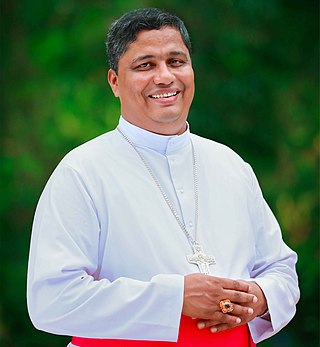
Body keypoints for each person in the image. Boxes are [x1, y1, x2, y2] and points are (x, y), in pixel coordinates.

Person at [27, 7, 299, 347]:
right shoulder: (82, 171)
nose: (165, 77)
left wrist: (259, 296)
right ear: (114, 81)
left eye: (176, 61)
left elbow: (281, 270)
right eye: (145, 65)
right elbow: (50, 301)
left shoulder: (230, 164)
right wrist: (174, 298)